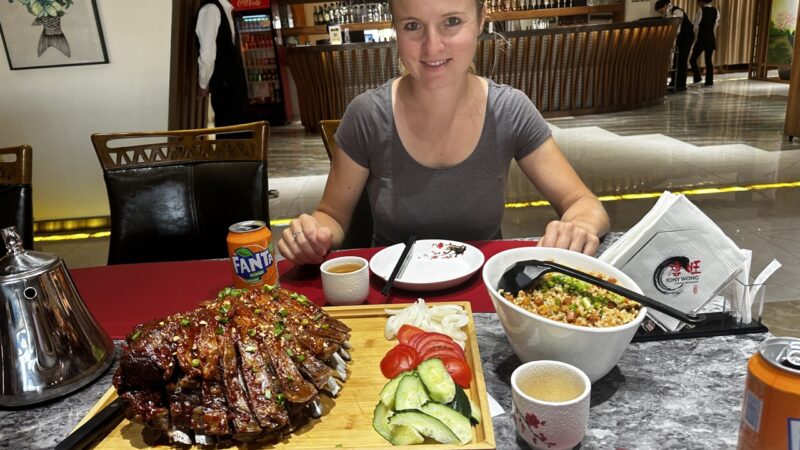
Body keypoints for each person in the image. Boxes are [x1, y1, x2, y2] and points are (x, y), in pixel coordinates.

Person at [278, 0, 610, 265]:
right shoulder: (367, 115)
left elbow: (583, 203)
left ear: (480, 20)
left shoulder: (509, 110)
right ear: (395, 29)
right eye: (412, 26)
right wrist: (312, 235)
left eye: (451, 21)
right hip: (392, 297)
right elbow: (332, 216)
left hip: (483, 290)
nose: (432, 46)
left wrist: (579, 226)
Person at [195, 0, 249, 129]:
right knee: (231, 131)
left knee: (235, 130)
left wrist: (203, 84)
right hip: (225, 83)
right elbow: (208, 53)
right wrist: (203, 83)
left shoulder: (221, 9)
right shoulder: (211, 9)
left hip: (230, 83)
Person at [655, 0, 694, 92]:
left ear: (666, 5)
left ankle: (681, 85)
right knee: (676, 60)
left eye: (661, 11)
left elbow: (677, 29)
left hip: (687, 37)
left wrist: (671, 42)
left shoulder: (677, 11)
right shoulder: (668, 13)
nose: (661, 13)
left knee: (682, 60)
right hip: (680, 37)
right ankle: (674, 83)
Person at [689, 0, 719, 88]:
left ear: (702, 2)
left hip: (702, 39)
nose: (698, 4)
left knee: (692, 59)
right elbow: (716, 25)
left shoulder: (701, 10)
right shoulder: (716, 10)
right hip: (711, 38)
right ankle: (709, 82)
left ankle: (697, 79)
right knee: (708, 61)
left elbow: (695, 24)